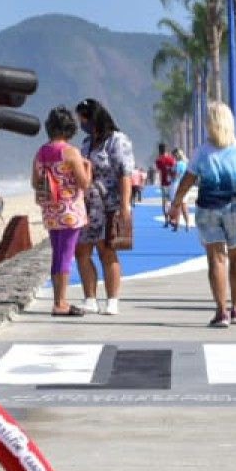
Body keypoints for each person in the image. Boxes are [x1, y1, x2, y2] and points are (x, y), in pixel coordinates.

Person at [170, 100, 236, 327]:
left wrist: (176, 203)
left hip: (208, 209)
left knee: (217, 259)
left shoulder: (201, 152)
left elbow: (187, 180)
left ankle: (221, 311)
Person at [74, 97, 135, 315]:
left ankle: (112, 299)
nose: (81, 123)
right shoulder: (86, 143)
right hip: (87, 205)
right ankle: (90, 298)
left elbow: (125, 173)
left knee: (106, 251)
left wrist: (125, 205)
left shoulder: (117, 140)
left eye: (83, 118)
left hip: (109, 203)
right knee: (81, 251)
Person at [32, 107, 93, 317]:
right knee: (66, 256)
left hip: (50, 210)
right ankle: (60, 303)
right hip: (70, 210)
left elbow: (34, 182)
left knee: (57, 254)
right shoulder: (71, 152)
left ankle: (59, 300)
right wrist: (88, 167)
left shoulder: (41, 152)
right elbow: (84, 183)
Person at [168, 147, 190, 230]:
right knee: (184, 205)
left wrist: (170, 172)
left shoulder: (178, 164)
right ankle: (187, 224)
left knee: (176, 205)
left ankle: (175, 223)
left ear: (176, 155)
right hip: (185, 185)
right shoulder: (186, 163)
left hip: (176, 185)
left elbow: (175, 176)